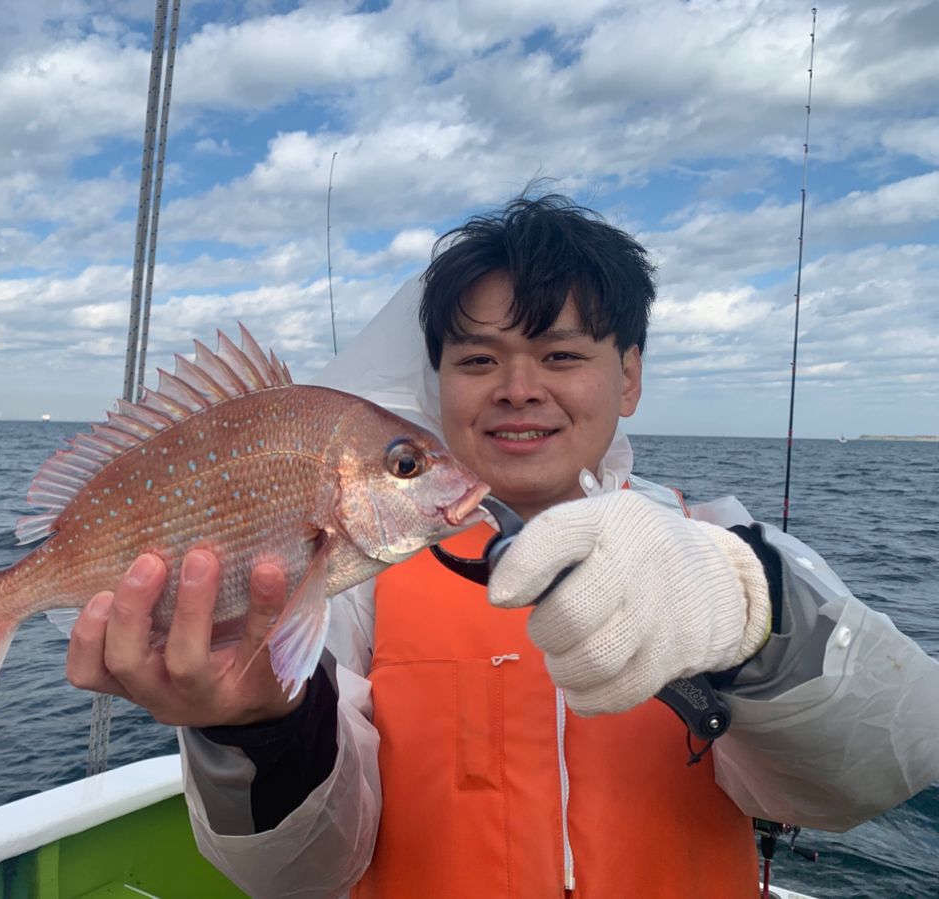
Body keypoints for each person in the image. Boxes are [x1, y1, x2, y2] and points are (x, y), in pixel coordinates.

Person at [66, 194, 939, 898]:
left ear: (628, 375)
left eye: (561, 355)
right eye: (477, 361)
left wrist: (757, 617)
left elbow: (884, 765)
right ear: (435, 382)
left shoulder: (719, 546)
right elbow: (298, 874)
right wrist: (258, 727)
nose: (519, 390)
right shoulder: (355, 590)